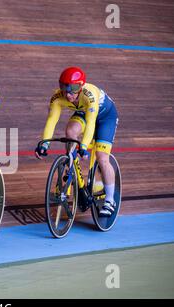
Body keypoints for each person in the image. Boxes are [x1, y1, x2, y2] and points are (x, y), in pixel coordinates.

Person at [35, 66, 119, 216]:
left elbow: (91, 122)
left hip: (106, 117)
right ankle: (71, 166)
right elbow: (51, 121)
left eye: (72, 89)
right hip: (83, 112)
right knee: (70, 132)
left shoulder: (89, 95)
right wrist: (44, 143)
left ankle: (110, 200)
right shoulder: (57, 97)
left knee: (102, 157)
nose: (68, 94)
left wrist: (84, 146)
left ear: (80, 87)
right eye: (64, 88)